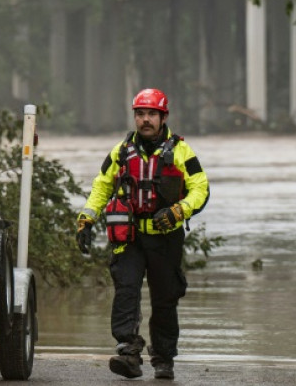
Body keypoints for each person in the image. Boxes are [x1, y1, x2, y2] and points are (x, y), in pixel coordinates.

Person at [75, 88, 210, 380]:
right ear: (135, 117)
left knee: (164, 299)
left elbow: (201, 189)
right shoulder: (121, 152)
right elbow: (101, 186)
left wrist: (180, 210)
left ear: (163, 117)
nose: (145, 120)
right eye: (140, 114)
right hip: (130, 237)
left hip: (166, 237)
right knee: (126, 291)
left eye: (151, 114)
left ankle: (163, 358)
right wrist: (87, 218)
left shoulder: (182, 151)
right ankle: (129, 353)